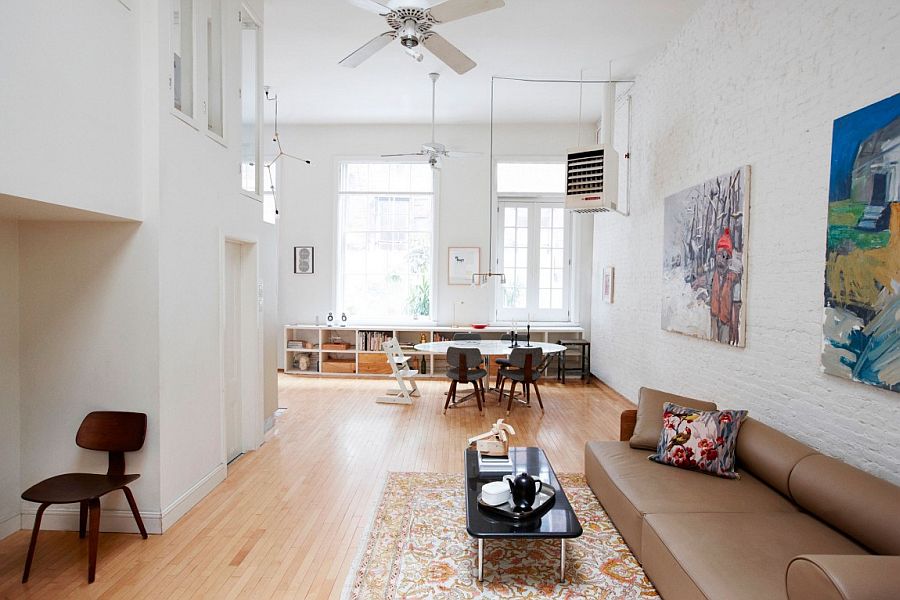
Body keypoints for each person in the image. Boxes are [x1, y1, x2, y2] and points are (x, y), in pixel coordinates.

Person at [709, 228, 742, 344]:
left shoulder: (733, 279)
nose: (721, 259)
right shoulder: (714, 275)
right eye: (719, 255)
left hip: (726, 322)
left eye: (725, 256)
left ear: (728, 259)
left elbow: (736, 306)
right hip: (714, 317)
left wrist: (734, 328)